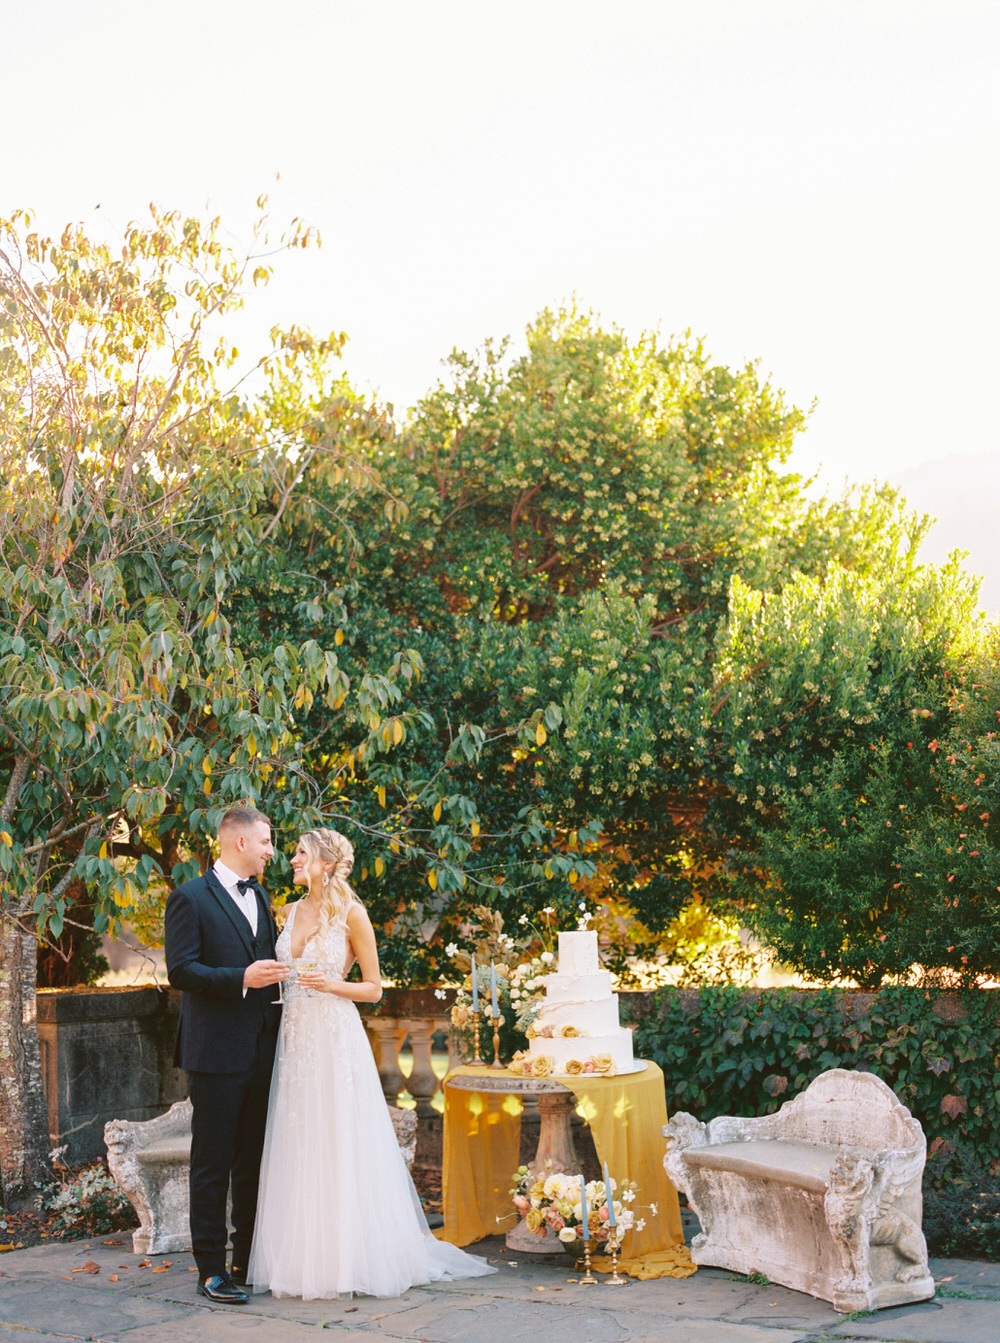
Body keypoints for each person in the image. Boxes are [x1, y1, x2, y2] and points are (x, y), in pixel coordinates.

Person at [247, 827, 495, 1299]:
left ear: (324, 862)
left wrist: (331, 985)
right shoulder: (287, 910)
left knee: (341, 1136)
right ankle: (303, 1260)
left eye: (301, 853)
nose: (292, 860)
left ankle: (351, 1258)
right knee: (300, 1136)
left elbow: (375, 989)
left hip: (336, 1035)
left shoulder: (353, 915)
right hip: (295, 1038)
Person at [164, 805, 288, 1305]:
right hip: (214, 1053)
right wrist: (241, 979)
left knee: (253, 1159)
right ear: (239, 842)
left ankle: (246, 1258)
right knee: (212, 1162)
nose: (271, 850)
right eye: (265, 842)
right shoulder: (189, 898)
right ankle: (210, 1269)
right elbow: (182, 971)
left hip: (262, 1047)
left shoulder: (259, 894)